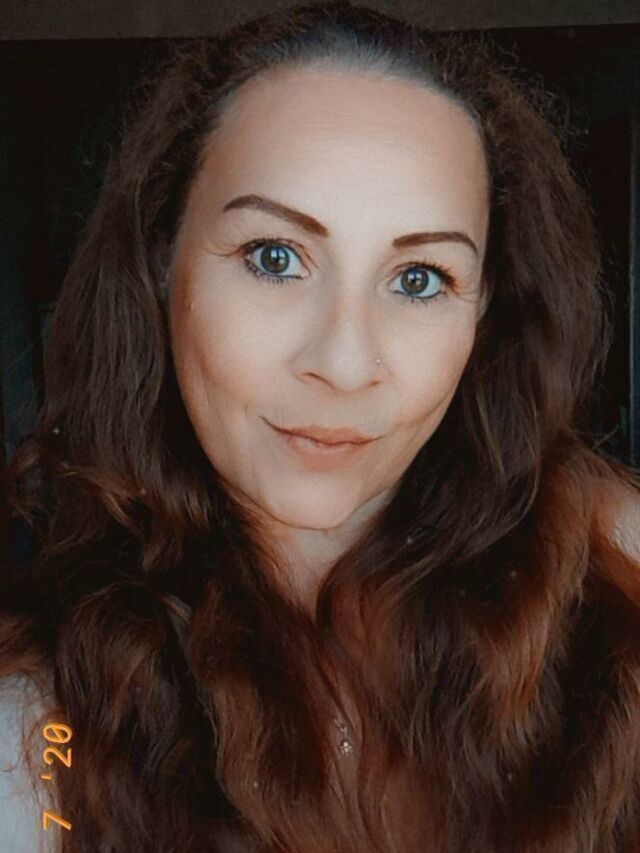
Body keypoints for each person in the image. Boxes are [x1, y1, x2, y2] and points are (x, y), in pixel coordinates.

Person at [1, 1, 640, 850]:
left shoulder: (610, 580)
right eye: (274, 258)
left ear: (485, 309)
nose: (343, 363)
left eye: (419, 278)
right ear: (161, 263)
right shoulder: (39, 732)